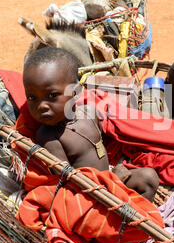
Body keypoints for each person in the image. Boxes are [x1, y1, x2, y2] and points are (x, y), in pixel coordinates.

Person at [22, 46, 159, 202]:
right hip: (88, 194)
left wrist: (115, 171)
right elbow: (69, 182)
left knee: (148, 177)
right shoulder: (49, 137)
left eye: (52, 95)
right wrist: (112, 181)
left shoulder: (88, 112)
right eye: (32, 98)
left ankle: (135, 216)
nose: (41, 106)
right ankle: (121, 221)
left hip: (108, 179)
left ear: (76, 92)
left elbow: (102, 144)